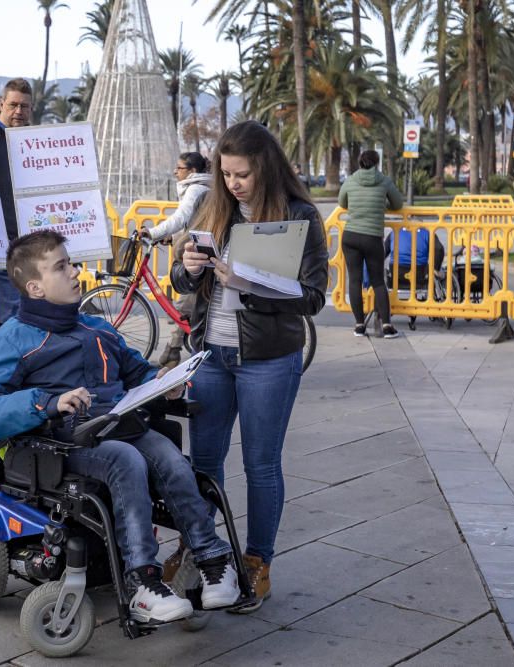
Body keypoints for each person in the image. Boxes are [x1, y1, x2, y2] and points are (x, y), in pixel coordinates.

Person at [0, 229, 241, 623]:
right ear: (35, 287)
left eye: (71, 262)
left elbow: (137, 371)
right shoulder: (13, 339)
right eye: (61, 267)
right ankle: (142, 581)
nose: (75, 272)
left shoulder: (98, 329)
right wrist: (47, 402)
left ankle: (213, 559)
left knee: (171, 458)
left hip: (120, 423)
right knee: (126, 461)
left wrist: (163, 382)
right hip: (63, 441)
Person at [170, 120, 329, 612]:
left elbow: (314, 297)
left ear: (265, 167)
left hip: (267, 360)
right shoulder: (211, 206)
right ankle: (201, 549)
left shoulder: (299, 215)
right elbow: (179, 281)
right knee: (203, 463)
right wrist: (187, 269)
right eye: (227, 173)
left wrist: (250, 284)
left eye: (243, 174)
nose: (234, 183)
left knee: (261, 466)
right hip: (210, 356)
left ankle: (257, 562)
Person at [142, 152, 212, 367]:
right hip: (199, 247)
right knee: (187, 302)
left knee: (184, 303)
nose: (175, 171)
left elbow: (180, 218)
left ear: (192, 171)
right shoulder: (200, 187)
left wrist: (151, 233)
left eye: (180, 168)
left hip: (198, 253)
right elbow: (191, 221)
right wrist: (171, 237)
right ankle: (173, 349)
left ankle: (173, 350)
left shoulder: (196, 188)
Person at [337, 150, 404, 338]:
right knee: (378, 282)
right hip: (372, 237)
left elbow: (342, 202)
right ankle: (387, 325)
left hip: (350, 236)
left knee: (355, 281)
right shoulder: (384, 181)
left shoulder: (350, 180)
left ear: (359, 162)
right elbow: (398, 204)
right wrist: (382, 205)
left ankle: (359, 325)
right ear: (377, 163)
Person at [0, 78, 33, 322]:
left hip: (28, 240)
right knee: (11, 310)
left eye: (24, 106)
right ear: (2, 104)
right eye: (13, 105)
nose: (18, 111)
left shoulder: (34, 142)